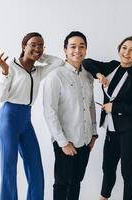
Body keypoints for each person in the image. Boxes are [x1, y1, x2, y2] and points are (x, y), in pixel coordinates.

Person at [0, 32, 63, 200]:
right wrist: (4, 72)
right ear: (23, 46)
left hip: (25, 119)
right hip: (8, 118)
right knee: (9, 168)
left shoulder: (38, 71)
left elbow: (59, 62)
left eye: (41, 45)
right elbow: (0, 97)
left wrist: (39, 55)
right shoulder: (11, 65)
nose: (37, 48)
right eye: (33, 44)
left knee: (35, 169)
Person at [82, 36, 132, 200]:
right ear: (119, 50)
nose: (127, 52)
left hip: (131, 132)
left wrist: (116, 107)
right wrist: (98, 74)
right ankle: (103, 197)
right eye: (124, 48)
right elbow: (86, 62)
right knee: (107, 167)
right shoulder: (111, 66)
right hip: (111, 130)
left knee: (127, 172)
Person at [43, 31, 98, 200]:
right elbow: (49, 111)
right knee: (62, 184)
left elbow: (90, 105)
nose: (77, 50)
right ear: (65, 50)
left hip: (85, 140)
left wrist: (94, 134)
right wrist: (63, 142)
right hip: (66, 141)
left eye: (82, 46)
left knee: (76, 182)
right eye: (73, 46)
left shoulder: (88, 76)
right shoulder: (55, 76)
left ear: (86, 50)